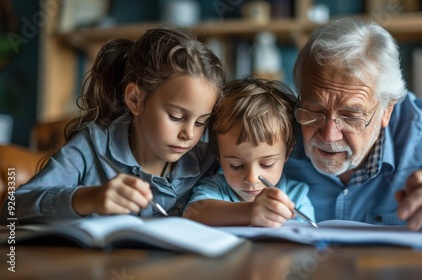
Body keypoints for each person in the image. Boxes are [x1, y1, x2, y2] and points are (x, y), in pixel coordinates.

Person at [284, 17, 422, 233]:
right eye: (314, 111)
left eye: (350, 116)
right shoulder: (278, 127)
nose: (329, 136)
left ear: (387, 109)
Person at [1, 28, 226, 223]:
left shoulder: (208, 160)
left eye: (200, 122)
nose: (189, 134)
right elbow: (12, 209)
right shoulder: (91, 147)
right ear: (135, 100)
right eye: (176, 116)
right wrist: (89, 199)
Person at [183, 77, 315, 227]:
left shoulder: (297, 197)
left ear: (287, 152)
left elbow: (308, 237)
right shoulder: (215, 189)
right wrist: (250, 211)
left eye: (267, 164)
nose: (252, 179)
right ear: (218, 155)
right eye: (236, 165)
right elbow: (192, 214)